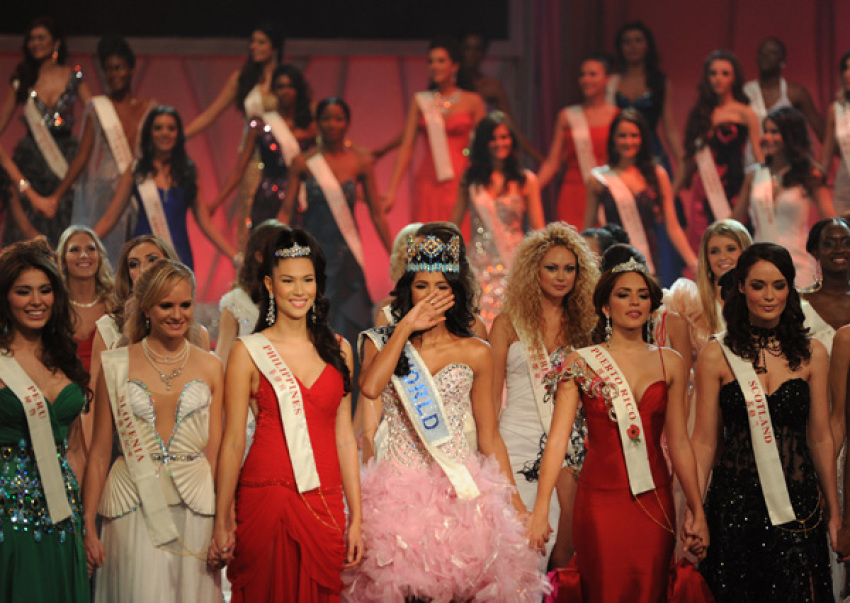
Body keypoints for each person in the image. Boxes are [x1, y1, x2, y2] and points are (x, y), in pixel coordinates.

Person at [346, 223, 548, 601]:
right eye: (422, 286)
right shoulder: (382, 342)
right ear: (409, 290)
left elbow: (489, 436)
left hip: (460, 490)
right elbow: (371, 387)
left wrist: (518, 504)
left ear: (455, 292)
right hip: (397, 492)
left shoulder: (476, 351)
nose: (431, 296)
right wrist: (405, 326)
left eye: (441, 287)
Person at [526, 253, 709, 602]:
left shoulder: (670, 362)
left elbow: (680, 444)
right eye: (624, 294)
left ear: (651, 305)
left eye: (642, 295)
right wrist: (541, 508)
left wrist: (696, 511)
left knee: (650, 588)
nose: (634, 302)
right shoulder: (581, 362)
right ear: (606, 307)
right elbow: (558, 440)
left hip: (654, 500)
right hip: (599, 501)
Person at [212, 228, 363, 600]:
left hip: (324, 499)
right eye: (288, 280)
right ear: (269, 284)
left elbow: (345, 438)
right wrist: (222, 517)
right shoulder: (248, 351)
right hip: (265, 498)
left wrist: (357, 517)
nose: (299, 291)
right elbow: (233, 443)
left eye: (307, 280)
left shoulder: (340, 350)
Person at [692, 243, 837, 601]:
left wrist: (835, 512)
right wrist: (694, 511)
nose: (769, 296)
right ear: (741, 286)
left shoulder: (813, 353)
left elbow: (820, 438)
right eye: (758, 286)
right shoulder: (716, 353)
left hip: (798, 505)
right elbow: (705, 442)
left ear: (790, 288)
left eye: (779, 285)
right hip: (734, 506)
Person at [83, 259, 223, 601]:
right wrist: (87, 525)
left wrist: (224, 523)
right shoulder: (115, 364)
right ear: (146, 308)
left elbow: (216, 455)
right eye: (166, 306)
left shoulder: (212, 366)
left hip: (195, 509)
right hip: (132, 505)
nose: (177, 315)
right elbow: (100, 453)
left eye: (185, 305)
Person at [489, 222, 599, 570]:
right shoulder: (507, 323)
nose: (561, 277)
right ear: (533, 270)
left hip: (569, 447)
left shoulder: (588, 328)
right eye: (551, 268)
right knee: (519, 550)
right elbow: (489, 401)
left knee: (566, 552)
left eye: (569, 268)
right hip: (515, 442)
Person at [0, 237, 90, 602]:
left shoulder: (65, 357)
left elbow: (77, 448)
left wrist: (77, 513)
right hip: (7, 513)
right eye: (23, 292)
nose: (36, 301)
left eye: (45, 291)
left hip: (62, 514)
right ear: (5, 298)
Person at [280, 97, 391, 359]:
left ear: (348, 123)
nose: (332, 124)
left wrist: (397, 254)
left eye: (338, 118)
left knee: (351, 323)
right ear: (318, 123)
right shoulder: (303, 162)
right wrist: (272, 246)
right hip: (314, 256)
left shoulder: (360, 161)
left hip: (347, 255)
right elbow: (287, 210)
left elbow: (377, 214)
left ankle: (352, 382)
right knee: (315, 321)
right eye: (326, 118)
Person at [48, 35, 156, 263]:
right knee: (110, 255)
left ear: (131, 70)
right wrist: (57, 195)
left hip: (143, 187)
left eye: (119, 68)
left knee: (141, 251)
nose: (113, 74)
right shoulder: (98, 108)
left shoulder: (150, 108)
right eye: (108, 69)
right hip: (107, 190)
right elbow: (82, 156)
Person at [93, 105, 238, 271]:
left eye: (171, 128)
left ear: (178, 134)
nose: (165, 133)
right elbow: (109, 218)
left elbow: (206, 223)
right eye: (158, 128)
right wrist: (84, 242)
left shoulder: (188, 173)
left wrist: (235, 256)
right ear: (149, 133)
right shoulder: (136, 170)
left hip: (178, 255)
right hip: (143, 255)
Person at [0, 17, 92, 247]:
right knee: (27, 246)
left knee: (65, 243)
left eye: (41, 37)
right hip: (31, 166)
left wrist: (57, 196)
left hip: (65, 168)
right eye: (31, 39)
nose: (35, 43)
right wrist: (27, 190)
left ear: (56, 42)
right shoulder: (22, 79)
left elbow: (96, 115)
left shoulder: (74, 76)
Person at [450, 113, 545, 327]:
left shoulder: (527, 180)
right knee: (480, 323)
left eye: (504, 137)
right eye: (493, 139)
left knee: (511, 324)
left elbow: (538, 230)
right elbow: (453, 225)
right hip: (479, 266)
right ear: (483, 143)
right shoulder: (471, 181)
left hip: (513, 262)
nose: (499, 143)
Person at [584, 109, 697, 284]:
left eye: (634, 136)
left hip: (648, 262)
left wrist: (693, 262)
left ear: (642, 138)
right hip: (613, 263)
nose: (628, 141)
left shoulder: (657, 175)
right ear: (613, 139)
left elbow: (673, 227)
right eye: (622, 136)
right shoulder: (599, 178)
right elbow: (588, 230)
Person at [380, 38, 486, 223]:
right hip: (428, 180)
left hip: (461, 178)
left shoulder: (473, 101)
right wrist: (391, 191)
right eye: (430, 61)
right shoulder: (421, 101)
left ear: (455, 66)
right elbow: (407, 147)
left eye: (441, 61)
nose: (434, 66)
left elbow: (484, 147)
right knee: (427, 233)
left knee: (457, 232)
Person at [734, 107, 834, 287]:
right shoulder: (754, 175)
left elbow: (831, 222)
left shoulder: (809, 174)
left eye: (774, 132)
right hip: (759, 264)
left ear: (791, 136)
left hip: (798, 265)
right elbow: (733, 220)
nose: (767, 137)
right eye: (766, 131)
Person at [210, 64, 316, 228]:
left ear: (298, 90)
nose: (285, 91)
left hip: (302, 198)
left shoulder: (310, 126)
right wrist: (216, 202)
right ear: (273, 91)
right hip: (268, 199)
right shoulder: (261, 125)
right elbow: (239, 170)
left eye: (290, 86)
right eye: (280, 87)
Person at [676, 50, 762, 251]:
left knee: (734, 243)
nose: (718, 79)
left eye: (725, 73)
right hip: (704, 191)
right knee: (704, 246)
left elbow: (758, 153)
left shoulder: (746, 112)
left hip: (733, 188)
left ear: (734, 78)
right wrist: (671, 193)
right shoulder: (700, 113)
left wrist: (767, 181)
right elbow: (689, 160)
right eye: (713, 73)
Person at [538, 54, 619, 227]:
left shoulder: (617, 116)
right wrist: (530, 189)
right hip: (573, 193)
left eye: (592, 74)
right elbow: (552, 163)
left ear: (607, 79)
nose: (586, 79)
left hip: (606, 191)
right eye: (582, 75)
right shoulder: (567, 116)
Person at [665, 219, 753, 363]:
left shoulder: (759, 298)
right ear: (706, 258)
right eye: (714, 251)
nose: (722, 257)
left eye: (731, 249)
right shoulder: (690, 303)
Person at [608, 21, 685, 176]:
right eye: (627, 42)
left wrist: (682, 163)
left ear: (647, 45)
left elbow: (670, 128)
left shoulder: (660, 82)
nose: (632, 46)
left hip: (652, 152)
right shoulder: (612, 83)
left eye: (638, 40)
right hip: (621, 151)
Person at [458, 32, 543, 162]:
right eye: (467, 48)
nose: (472, 54)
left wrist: (539, 158)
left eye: (477, 49)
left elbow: (511, 126)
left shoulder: (491, 87)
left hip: (483, 155)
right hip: (454, 153)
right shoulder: (452, 90)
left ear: (483, 53)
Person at [743, 36, 824, 164]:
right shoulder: (745, 92)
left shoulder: (795, 93)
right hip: (751, 165)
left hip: (787, 166)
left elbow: (822, 133)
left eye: (772, 53)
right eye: (762, 52)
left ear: (783, 61)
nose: (766, 56)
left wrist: (822, 165)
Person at [801, 218, 850, 349]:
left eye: (847, 243)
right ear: (815, 251)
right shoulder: (798, 303)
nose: (839, 249)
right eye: (829, 244)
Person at [821, 51, 850, 217]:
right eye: (845, 68)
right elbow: (826, 157)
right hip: (844, 187)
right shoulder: (836, 109)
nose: (848, 74)